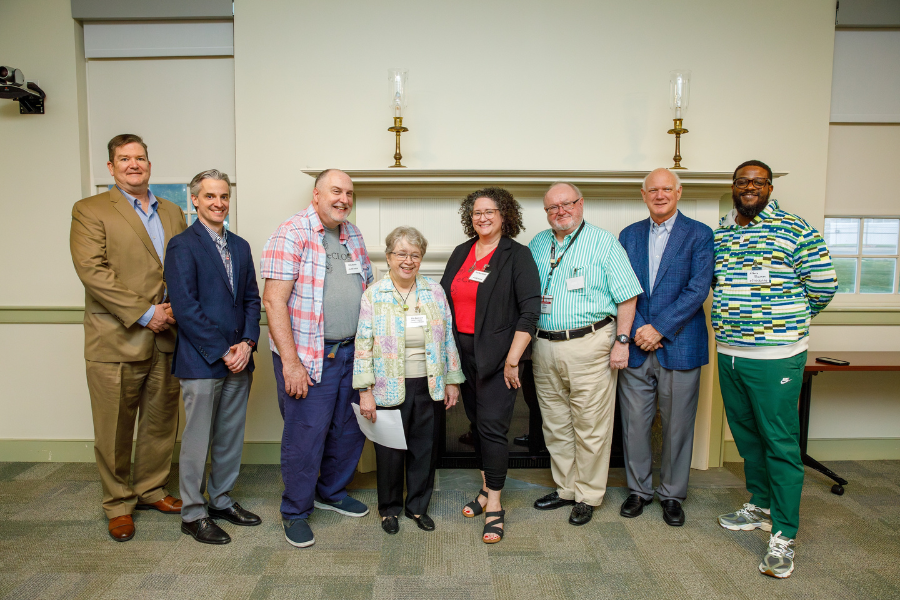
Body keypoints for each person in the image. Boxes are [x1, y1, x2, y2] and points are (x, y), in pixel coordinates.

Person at [713, 160, 837, 579]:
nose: (750, 187)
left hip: (776, 356)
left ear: (769, 187)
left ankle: (784, 534)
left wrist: (789, 321)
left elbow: (823, 285)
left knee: (779, 443)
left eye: (758, 182)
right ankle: (761, 505)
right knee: (747, 437)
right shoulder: (722, 230)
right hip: (729, 352)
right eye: (743, 181)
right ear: (733, 187)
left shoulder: (795, 228)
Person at [70, 134, 187, 542]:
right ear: (111, 167)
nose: (133, 164)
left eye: (140, 158)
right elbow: (93, 271)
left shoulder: (173, 212)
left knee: (160, 423)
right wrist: (146, 312)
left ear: (149, 164)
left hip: (167, 337)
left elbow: (182, 267)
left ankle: (151, 488)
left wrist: (174, 311)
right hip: (116, 338)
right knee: (115, 428)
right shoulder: (90, 210)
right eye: (124, 159)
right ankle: (118, 504)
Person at [261, 169, 374, 549]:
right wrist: (291, 363)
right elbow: (274, 300)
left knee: (348, 429)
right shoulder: (291, 233)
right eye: (336, 191)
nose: (344, 199)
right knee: (305, 437)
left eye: (349, 194)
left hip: (351, 353)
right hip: (310, 356)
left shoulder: (353, 235)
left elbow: (368, 287)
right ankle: (295, 510)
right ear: (316, 194)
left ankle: (332, 491)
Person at [527, 182, 642, 526]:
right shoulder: (537, 243)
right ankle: (565, 489)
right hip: (543, 345)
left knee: (591, 426)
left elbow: (627, 296)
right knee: (556, 424)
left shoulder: (604, 242)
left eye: (567, 204)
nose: (560, 211)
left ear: (581, 203)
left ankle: (588, 495)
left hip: (590, 343)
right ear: (546, 212)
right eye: (552, 207)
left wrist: (622, 341)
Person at [164, 169, 262, 544]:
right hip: (202, 360)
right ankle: (193, 513)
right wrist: (223, 351)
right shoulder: (182, 245)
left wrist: (248, 343)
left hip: (240, 359)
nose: (218, 203)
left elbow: (252, 299)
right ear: (195, 200)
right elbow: (185, 308)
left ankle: (220, 500)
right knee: (198, 439)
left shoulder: (240, 245)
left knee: (229, 437)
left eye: (223, 197)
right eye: (210, 197)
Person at [440, 187, 540, 543]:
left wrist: (513, 360)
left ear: (504, 215)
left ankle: (495, 505)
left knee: (494, 430)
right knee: (477, 426)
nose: (482, 218)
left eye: (490, 212)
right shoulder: (461, 252)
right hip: (463, 357)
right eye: (476, 212)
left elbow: (530, 312)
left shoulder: (518, 255)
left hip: (500, 359)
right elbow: (443, 302)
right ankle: (485, 489)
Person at [617, 168, 714, 527]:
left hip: (681, 344)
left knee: (678, 427)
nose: (660, 195)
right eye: (652, 190)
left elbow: (697, 289)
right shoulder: (629, 235)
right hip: (637, 342)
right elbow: (622, 286)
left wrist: (659, 328)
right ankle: (639, 491)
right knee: (634, 424)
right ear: (643, 195)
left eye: (666, 189)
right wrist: (641, 327)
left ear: (679, 192)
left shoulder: (700, 235)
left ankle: (672, 494)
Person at [354, 227, 464, 535]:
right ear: (389, 257)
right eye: (401, 254)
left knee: (424, 449)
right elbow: (362, 343)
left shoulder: (434, 291)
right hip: (387, 385)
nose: (408, 260)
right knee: (389, 452)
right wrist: (365, 390)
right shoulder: (374, 294)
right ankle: (389, 509)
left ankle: (417, 507)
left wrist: (452, 380)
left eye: (415, 255)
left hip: (428, 384)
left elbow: (448, 339)